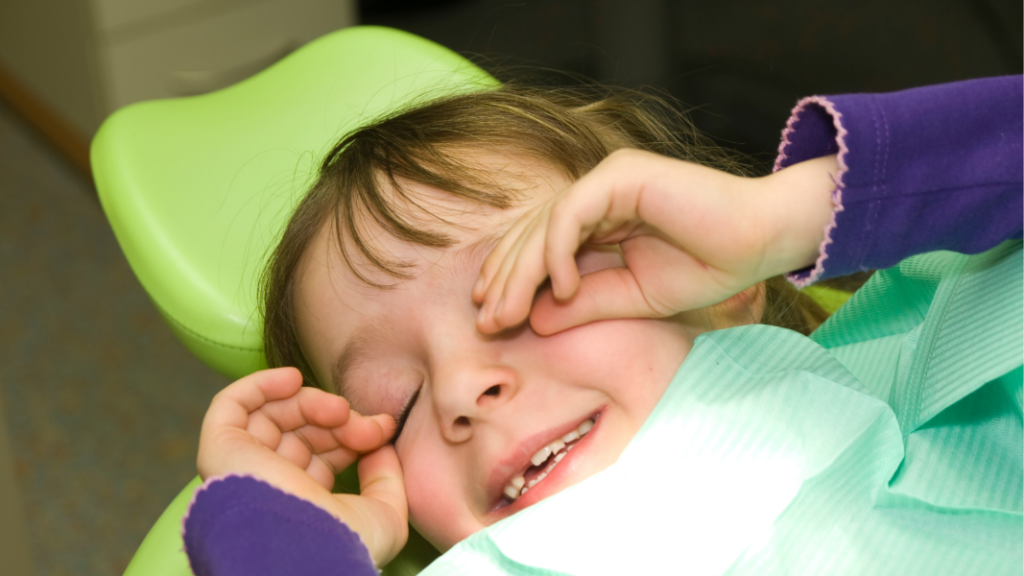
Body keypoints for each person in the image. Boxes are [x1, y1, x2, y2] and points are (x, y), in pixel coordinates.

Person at [182, 75, 1022, 576]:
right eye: (396, 406)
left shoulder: (930, 377)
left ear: (715, 278)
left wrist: (785, 218)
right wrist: (282, 527)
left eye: (526, 288)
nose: (466, 390)